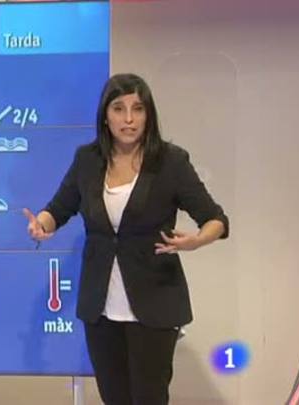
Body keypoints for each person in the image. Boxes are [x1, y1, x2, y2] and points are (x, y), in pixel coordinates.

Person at [23, 73, 229, 405]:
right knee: (114, 398)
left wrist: (196, 241)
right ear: (106, 116)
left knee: (149, 398)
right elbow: (59, 208)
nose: (129, 119)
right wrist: (42, 225)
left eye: (138, 109)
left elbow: (216, 219)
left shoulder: (171, 162)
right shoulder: (88, 160)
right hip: (101, 307)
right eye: (119, 109)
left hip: (155, 302)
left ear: (149, 115)